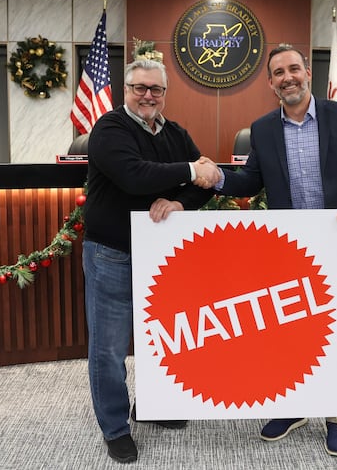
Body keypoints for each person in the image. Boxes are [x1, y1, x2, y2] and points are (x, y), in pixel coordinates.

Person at [198, 44, 337, 457]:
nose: (288, 77)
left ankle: (335, 414)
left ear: (307, 72)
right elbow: (250, 182)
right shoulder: (263, 129)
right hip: (288, 251)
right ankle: (293, 407)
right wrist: (216, 178)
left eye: (294, 69)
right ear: (270, 83)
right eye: (278, 73)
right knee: (290, 335)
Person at [81, 58, 219, 464]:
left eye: (155, 89)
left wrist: (180, 198)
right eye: (140, 87)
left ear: (164, 94)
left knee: (164, 337)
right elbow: (134, 175)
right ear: (126, 89)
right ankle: (115, 427)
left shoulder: (175, 133)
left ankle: (153, 407)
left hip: (163, 256)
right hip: (112, 253)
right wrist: (191, 169)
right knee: (108, 348)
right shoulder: (109, 128)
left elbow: (207, 184)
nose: (147, 96)